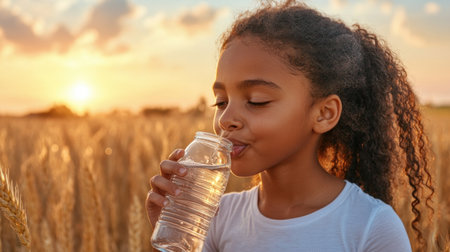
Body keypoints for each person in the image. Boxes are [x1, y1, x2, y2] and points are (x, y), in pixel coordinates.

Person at [146, 1, 434, 251]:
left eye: (257, 101)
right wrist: (171, 233)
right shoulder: (219, 217)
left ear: (324, 114)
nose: (225, 119)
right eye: (221, 102)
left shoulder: (370, 226)